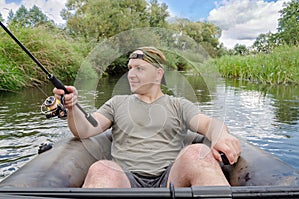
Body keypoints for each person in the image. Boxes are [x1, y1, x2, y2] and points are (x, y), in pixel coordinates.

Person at [53, 46, 241, 188]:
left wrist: (221, 136)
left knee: (197, 152)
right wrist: (72, 106)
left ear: (158, 74)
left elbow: (209, 125)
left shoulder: (179, 104)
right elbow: (85, 129)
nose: (131, 74)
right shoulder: (116, 103)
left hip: (171, 179)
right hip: (126, 179)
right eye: (130, 68)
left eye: (139, 69)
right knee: (100, 169)